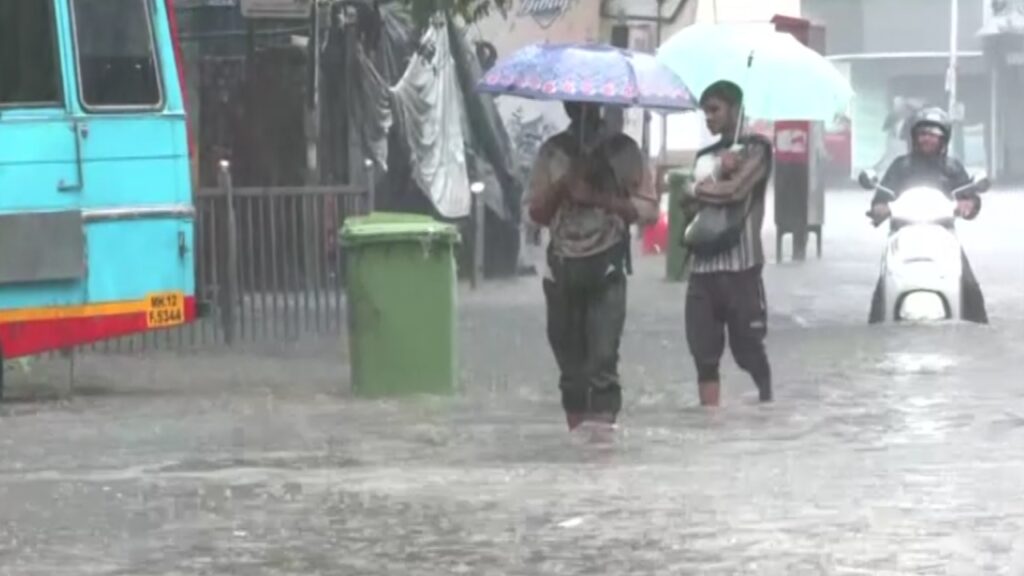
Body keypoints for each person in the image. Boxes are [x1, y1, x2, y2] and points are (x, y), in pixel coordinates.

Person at [523, 101, 658, 431]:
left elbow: (649, 212)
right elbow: (534, 214)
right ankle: (578, 455)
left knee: (602, 364)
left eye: (586, 103)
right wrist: (564, 184)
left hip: (607, 267)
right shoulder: (552, 152)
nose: (580, 108)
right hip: (562, 269)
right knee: (571, 374)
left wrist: (598, 197)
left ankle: (599, 458)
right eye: (573, 102)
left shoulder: (623, 151)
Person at [683, 80, 774, 407]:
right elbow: (688, 206)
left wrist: (698, 188)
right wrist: (717, 172)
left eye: (715, 110)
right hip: (702, 267)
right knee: (703, 354)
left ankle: (766, 400)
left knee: (747, 349)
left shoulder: (757, 149)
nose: (709, 117)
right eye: (705, 111)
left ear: (735, 109)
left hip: (742, 268)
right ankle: (711, 420)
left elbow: (735, 193)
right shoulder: (706, 156)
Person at [868, 107, 989, 324]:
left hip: (943, 235)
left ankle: (979, 333)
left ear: (943, 139)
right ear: (914, 137)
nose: (927, 139)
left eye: (933, 135)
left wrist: (968, 204)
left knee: (970, 287)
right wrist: (880, 209)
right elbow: (879, 199)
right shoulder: (900, 167)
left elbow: (970, 197)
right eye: (922, 134)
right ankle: (876, 334)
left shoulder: (952, 168)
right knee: (883, 287)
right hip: (902, 234)